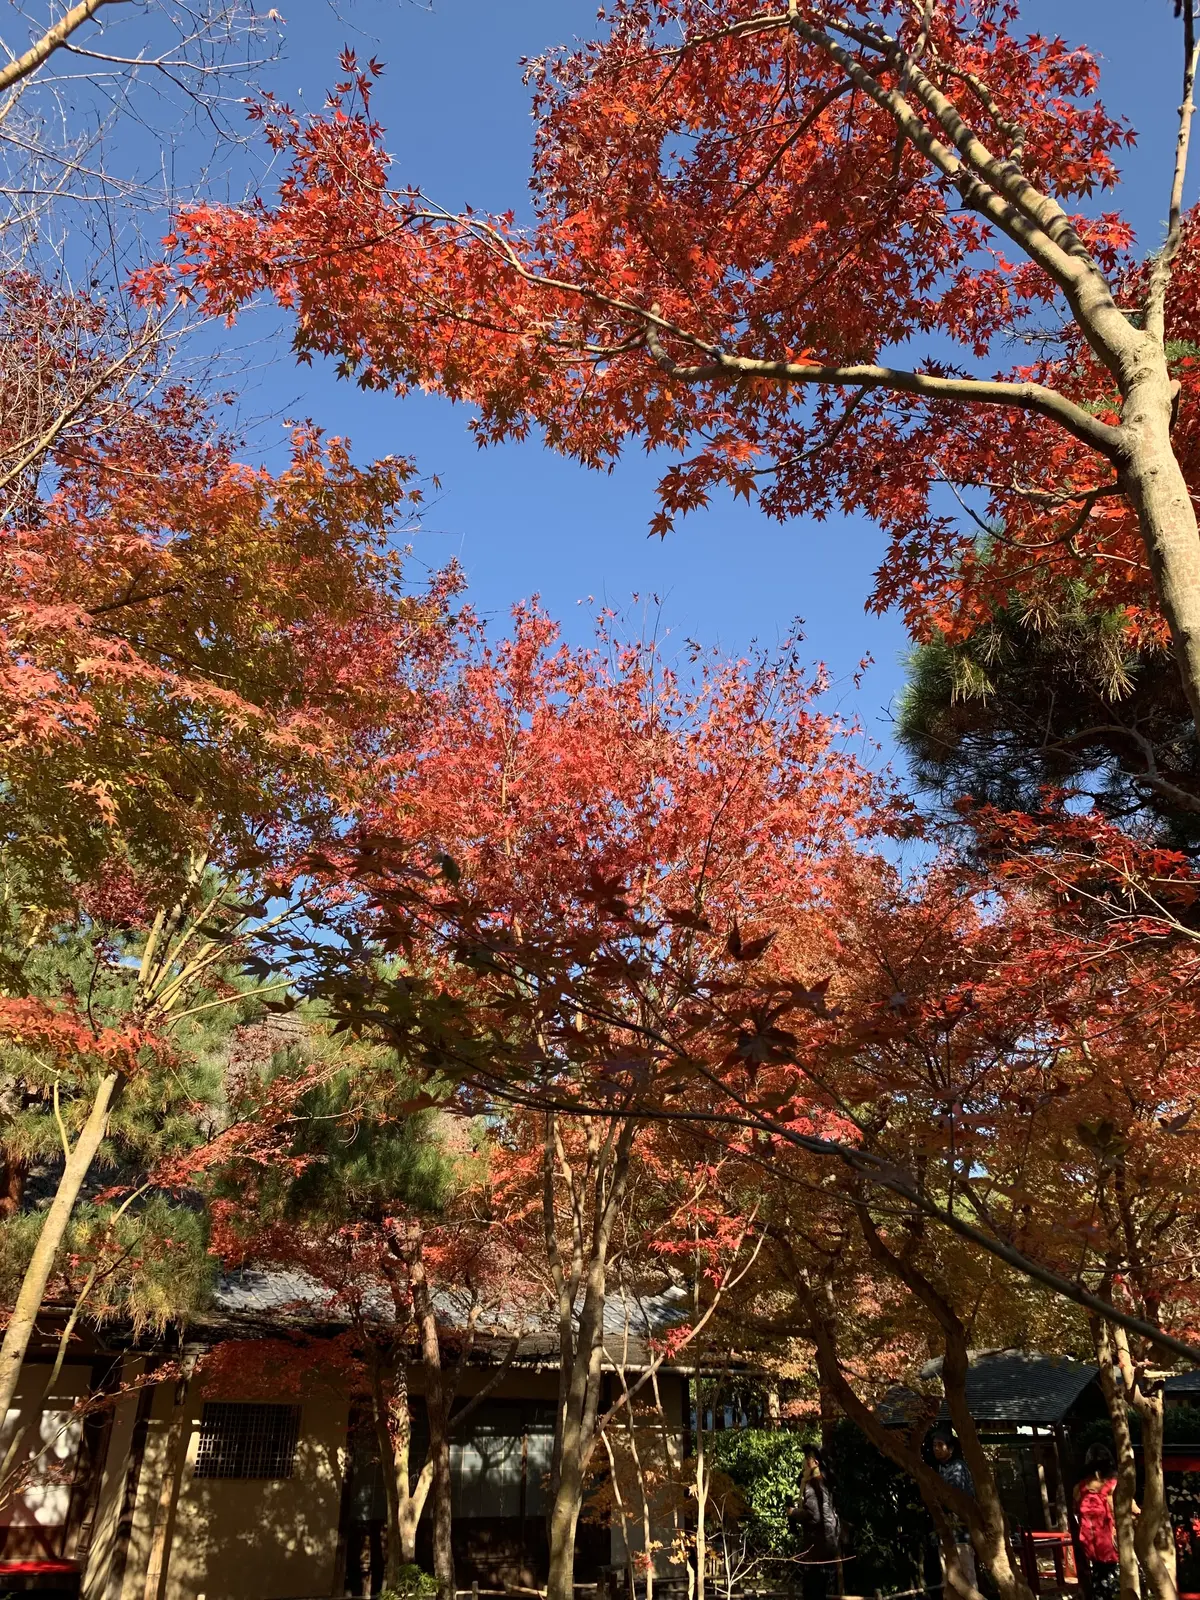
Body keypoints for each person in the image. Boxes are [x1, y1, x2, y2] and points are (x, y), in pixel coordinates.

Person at [931, 1427, 978, 1596]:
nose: (935, 1448)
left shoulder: (958, 1467)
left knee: (967, 1577)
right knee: (949, 1579)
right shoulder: (940, 1469)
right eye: (934, 1445)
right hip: (945, 1532)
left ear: (950, 1449)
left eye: (940, 1444)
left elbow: (954, 1497)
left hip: (960, 1532)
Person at [791, 1446, 842, 1600]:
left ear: (815, 1462)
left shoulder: (813, 1484)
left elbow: (814, 1515)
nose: (803, 1463)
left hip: (817, 1545)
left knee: (812, 1590)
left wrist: (793, 1513)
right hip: (827, 1542)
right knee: (820, 1590)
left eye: (806, 1459)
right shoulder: (824, 1481)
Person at [1075, 1444, 1121, 1600]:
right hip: (1111, 1543)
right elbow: (1119, 1510)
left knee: (1099, 1579)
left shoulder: (1080, 1487)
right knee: (1116, 1582)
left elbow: (1076, 1509)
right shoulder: (1112, 1485)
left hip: (1091, 1544)